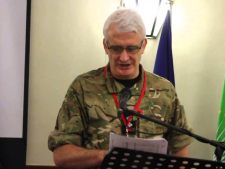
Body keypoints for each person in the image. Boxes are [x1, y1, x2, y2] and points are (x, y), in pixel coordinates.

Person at [48, 8, 192, 169]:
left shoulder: (165, 90)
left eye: (131, 48)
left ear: (143, 45)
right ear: (105, 46)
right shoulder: (82, 87)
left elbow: (181, 151)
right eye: (116, 48)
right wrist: (108, 156)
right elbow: (61, 155)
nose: (124, 58)